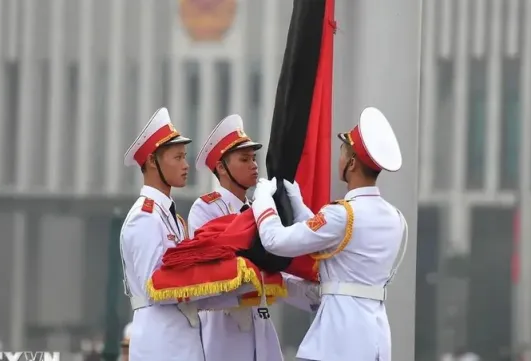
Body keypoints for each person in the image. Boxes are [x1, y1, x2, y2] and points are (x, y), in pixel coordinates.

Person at [251, 106, 409, 361]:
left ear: (352, 163)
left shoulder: (343, 214)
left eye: (342, 153)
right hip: (375, 339)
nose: (339, 159)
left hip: (338, 341)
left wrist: (262, 201)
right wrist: (300, 205)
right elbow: (329, 242)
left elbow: (274, 240)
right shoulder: (395, 218)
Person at [121, 108, 255, 361]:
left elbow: (185, 288)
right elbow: (155, 287)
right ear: (152, 161)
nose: (185, 165)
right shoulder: (144, 217)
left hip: (183, 337)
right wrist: (216, 276)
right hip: (159, 339)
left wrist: (236, 288)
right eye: (178, 157)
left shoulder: (173, 218)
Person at [188, 114, 320, 361]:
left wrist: (311, 293)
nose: (254, 165)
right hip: (223, 328)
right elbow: (215, 269)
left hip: (259, 320)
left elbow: (275, 268)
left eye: (254, 158)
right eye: (244, 159)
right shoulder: (205, 208)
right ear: (221, 167)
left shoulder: (258, 211)